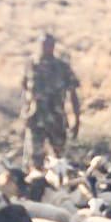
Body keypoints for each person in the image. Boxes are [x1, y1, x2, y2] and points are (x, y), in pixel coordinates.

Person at [21, 32, 80, 169]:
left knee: (58, 161)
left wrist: (76, 120)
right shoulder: (30, 65)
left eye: (49, 44)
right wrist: (24, 115)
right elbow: (25, 91)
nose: (46, 47)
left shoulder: (62, 67)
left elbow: (73, 94)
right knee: (34, 161)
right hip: (35, 119)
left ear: (53, 46)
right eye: (43, 44)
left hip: (56, 120)